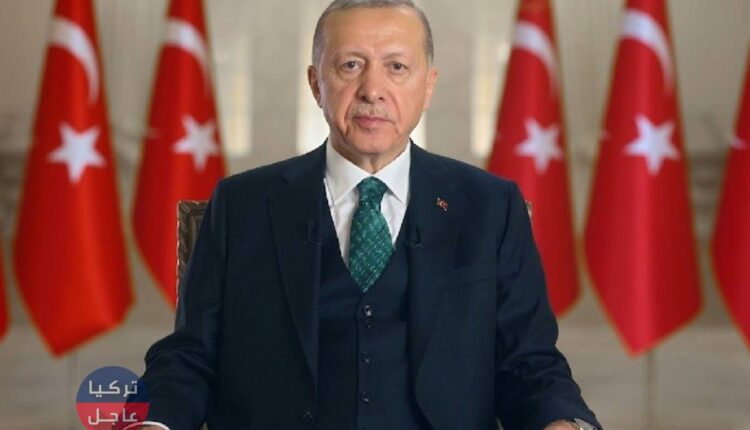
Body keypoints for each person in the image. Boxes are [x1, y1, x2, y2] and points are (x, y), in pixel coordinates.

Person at [135, 1, 600, 429]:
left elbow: (529, 363)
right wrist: (154, 423)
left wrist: (563, 423)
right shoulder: (242, 204)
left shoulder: (490, 206)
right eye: (350, 65)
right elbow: (190, 357)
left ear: (428, 86)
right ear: (316, 83)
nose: (372, 90)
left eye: (396, 67)